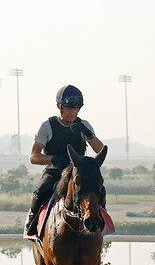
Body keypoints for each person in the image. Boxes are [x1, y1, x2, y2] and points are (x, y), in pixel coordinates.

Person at [24, 85, 105, 236]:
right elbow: (33, 157)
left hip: (78, 173)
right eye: (70, 108)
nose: (74, 112)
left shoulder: (84, 125)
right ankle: (33, 219)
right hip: (55, 172)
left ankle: (101, 221)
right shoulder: (47, 126)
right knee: (40, 192)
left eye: (77, 109)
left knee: (100, 190)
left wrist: (89, 134)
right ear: (59, 106)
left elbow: (100, 151)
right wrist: (53, 159)